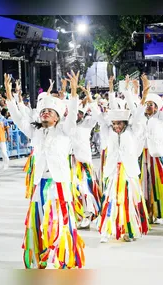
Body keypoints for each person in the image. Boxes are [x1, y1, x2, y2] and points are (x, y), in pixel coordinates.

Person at [5, 71, 85, 269]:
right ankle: (40, 256)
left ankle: (61, 258)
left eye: (50, 111)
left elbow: (73, 115)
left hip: (59, 184)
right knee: (39, 219)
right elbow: (16, 117)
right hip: (39, 183)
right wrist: (9, 96)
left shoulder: (64, 131)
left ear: (58, 117)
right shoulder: (35, 132)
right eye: (42, 111)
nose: (45, 113)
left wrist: (73, 93)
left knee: (58, 220)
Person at [91, 77, 149, 243]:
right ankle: (107, 230)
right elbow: (100, 115)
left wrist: (142, 96)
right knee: (111, 199)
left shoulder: (133, 130)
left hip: (129, 172)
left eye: (119, 123)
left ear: (125, 123)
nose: (116, 126)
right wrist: (108, 90)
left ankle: (128, 230)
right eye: (114, 123)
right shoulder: (107, 131)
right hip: (113, 171)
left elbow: (137, 114)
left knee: (128, 200)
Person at [133, 74, 163, 224]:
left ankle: (156, 212)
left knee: (156, 184)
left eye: (152, 104)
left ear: (156, 107)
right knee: (143, 183)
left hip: (155, 156)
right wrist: (142, 93)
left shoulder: (159, 118)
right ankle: (144, 212)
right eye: (147, 104)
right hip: (141, 155)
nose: (149, 106)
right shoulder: (139, 118)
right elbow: (134, 107)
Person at [70, 83, 101, 230]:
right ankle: (77, 216)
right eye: (75, 113)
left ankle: (88, 216)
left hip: (84, 164)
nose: (77, 115)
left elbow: (97, 115)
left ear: (83, 114)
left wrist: (89, 97)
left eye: (79, 113)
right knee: (73, 190)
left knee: (86, 190)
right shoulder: (67, 125)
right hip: (70, 164)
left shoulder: (88, 124)